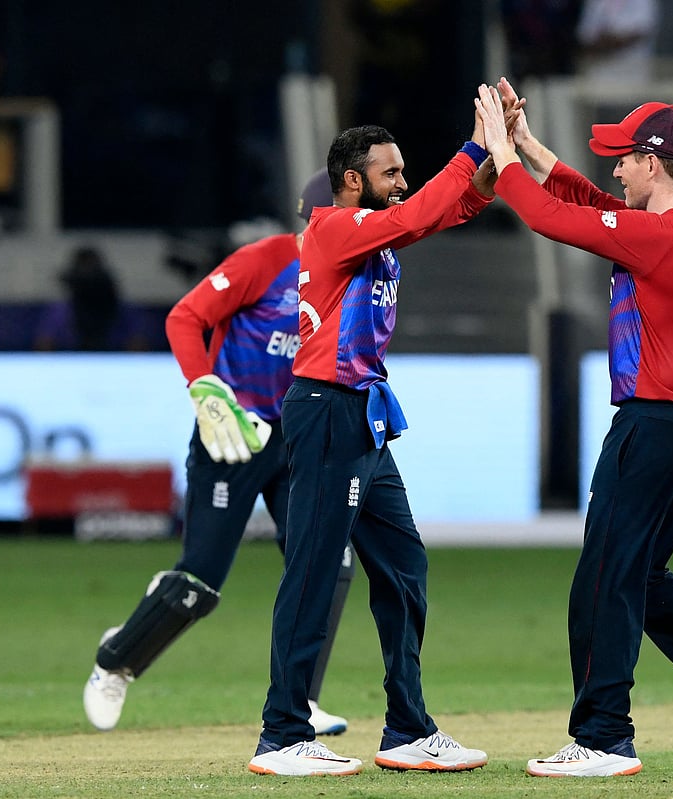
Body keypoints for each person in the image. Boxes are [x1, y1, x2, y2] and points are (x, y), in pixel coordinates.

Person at [474, 78, 673, 778]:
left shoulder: (657, 235)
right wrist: (529, 146)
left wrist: (499, 152)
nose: (613, 169)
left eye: (623, 158)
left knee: (602, 580)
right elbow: (590, 206)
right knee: (640, 577)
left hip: (652, 425)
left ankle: (602, 738)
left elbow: (549, 219)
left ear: (653, 164)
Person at [247, 104, 513, 777]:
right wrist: (468, 144)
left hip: (362, 413)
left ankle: (407, 728)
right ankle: (282, 733)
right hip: (329, 409)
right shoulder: (335, 228)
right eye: (389, 171)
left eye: (403, 170)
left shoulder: (375, 233)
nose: (402, 179)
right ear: (352, 181)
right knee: (312, 567)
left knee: (403, 567)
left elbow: (450, 208)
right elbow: (420, 213)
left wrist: (494, 155)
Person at [82, 171, 353, 736]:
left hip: (298, 436)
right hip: (232, 433)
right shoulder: (267, 259)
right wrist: (204, 390)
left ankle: (299, 700)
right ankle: (116, 662)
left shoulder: (359, 275)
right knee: (199, 581)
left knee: (332, 562)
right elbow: (185, 317)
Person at [33, 246, 151, 352]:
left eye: (93, 279)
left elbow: (139, 348)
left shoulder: (125, 311)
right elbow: (44, 347)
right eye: (83, 280)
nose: (89, 287)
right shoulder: (59, 312)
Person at [575, 0, 660, 86]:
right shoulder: (594, 2)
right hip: (599, 72)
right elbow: (585, 36)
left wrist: (608, 40)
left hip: (633, 70)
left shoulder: (643, 2)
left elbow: (642, 31)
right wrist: (612, 40)